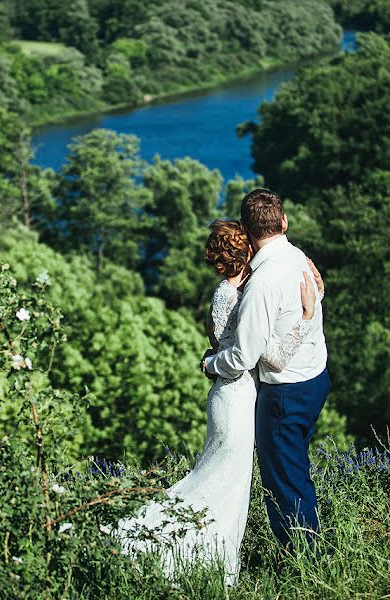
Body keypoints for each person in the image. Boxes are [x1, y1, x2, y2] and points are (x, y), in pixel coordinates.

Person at [112, 218, 322, 585]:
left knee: (228, 482)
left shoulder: (248, 290)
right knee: (220, 480)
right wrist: (307, 315)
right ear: (248, 250)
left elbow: (231, 345)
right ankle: (189, 556)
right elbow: (261, 356)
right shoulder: (237, 294)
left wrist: (313, 296)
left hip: (240, 395)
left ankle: (209, 558)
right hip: (235, 398)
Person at [202, 188, 329, 555]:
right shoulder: (300, 258)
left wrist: (210, 363)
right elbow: (308, 298)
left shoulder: (260, 283)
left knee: (284, 482)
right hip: (316, 379)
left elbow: (247, 357)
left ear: (246, 228)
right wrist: (314, 303)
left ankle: (306, 562)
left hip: (284, 394)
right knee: (296, 470)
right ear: (284, 222)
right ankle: (311, 549)